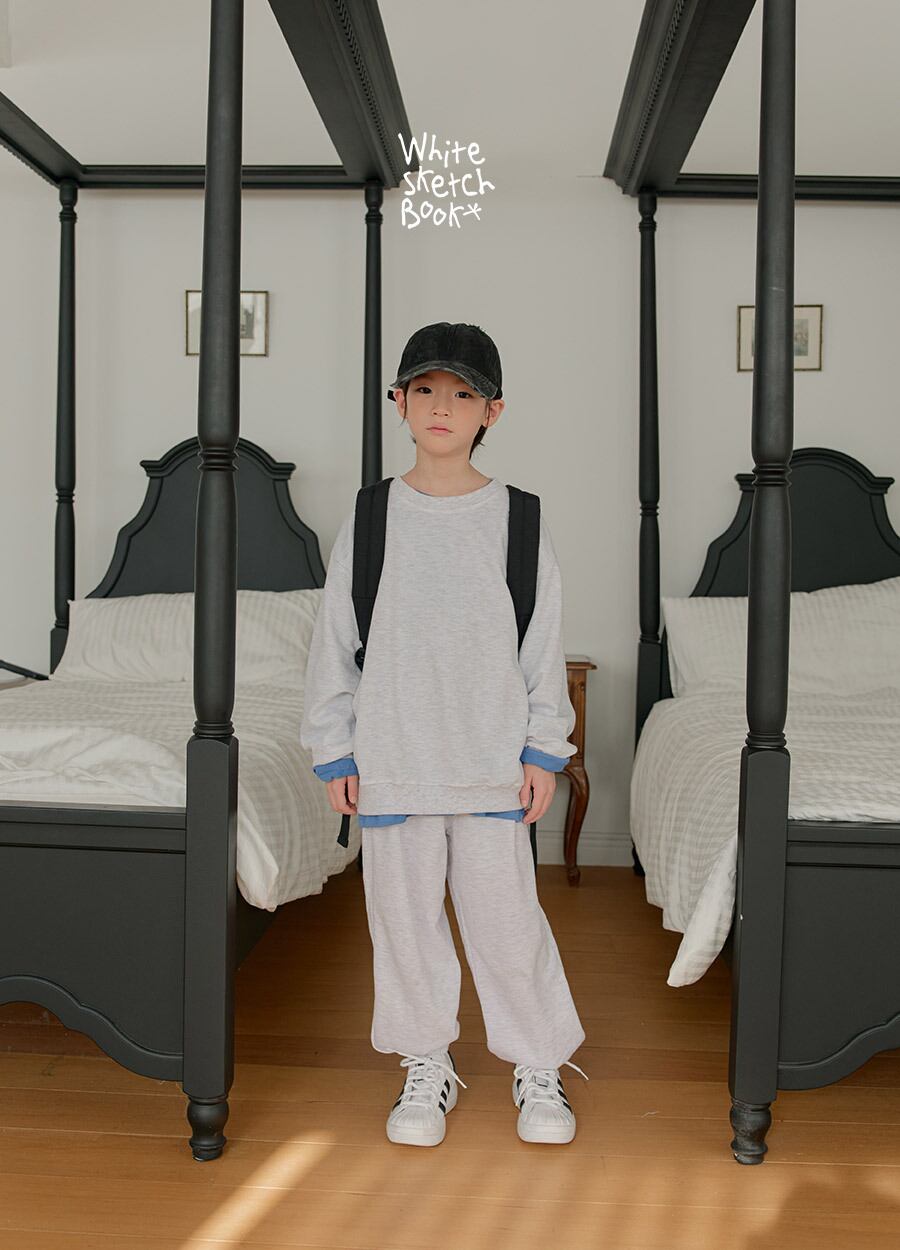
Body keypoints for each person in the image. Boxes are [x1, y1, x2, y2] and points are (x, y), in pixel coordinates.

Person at [300, 321, 587, 1148]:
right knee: (404, 927)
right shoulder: (372, 517)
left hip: (491, 764)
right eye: (425, 389)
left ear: (492, 411)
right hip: (394, 761)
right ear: (398, 401)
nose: (441, 407)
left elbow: (542, 646)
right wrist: (334, 747)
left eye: (463, 394)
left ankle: (538, 1063)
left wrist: (543, 751)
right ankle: (425, 1061)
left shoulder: (520, 519)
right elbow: (335, 641)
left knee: (508, 927)